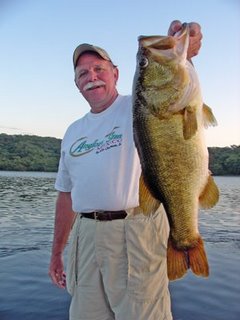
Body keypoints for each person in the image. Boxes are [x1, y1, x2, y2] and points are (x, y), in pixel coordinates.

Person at [49, 20, 203, 320]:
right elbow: (65, 195)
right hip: (86, 237)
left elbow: (172, 84)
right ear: (77, 84)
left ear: (116, 74)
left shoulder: (141, 105)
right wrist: (56, 253)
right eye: (83, 73)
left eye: (99, 69)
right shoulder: (72, 132)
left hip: (135, 233)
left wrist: (189, 48)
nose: (91, 77)